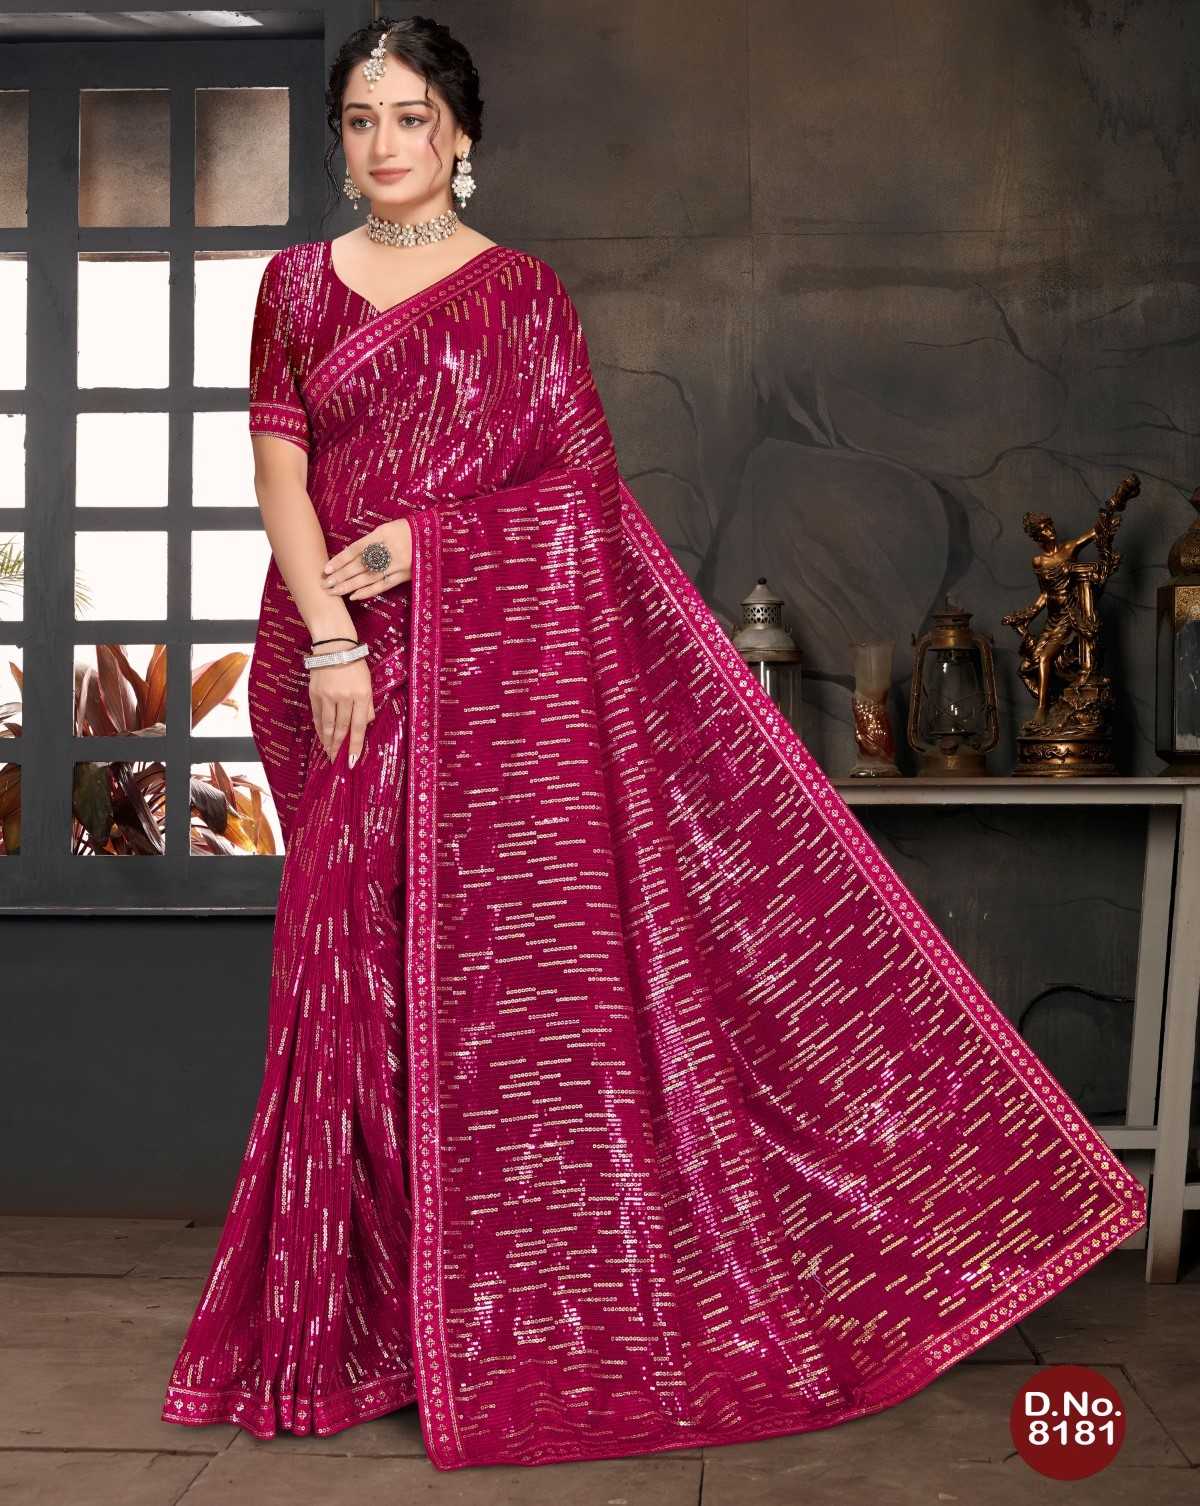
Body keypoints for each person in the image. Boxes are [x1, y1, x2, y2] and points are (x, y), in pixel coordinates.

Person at [160, 14, 1147, 1472]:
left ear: (461, 136)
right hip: (342, 665)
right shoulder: (297, 286)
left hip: (495, 679)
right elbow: (278, 475)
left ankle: (485, 1314)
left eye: (411, 117)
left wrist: (432, 543)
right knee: (349, 968)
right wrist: (333, 638)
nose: (384, 144)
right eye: (361, 119)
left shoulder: (522, 295)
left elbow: (582, 502)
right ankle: (348, 1322)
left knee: (493, 982)